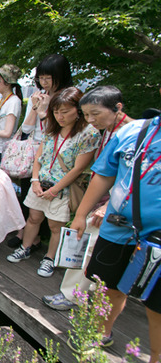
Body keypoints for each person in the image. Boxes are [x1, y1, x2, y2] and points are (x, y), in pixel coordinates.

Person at [70, 113, 161, 363]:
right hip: (117, 227)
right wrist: (82, 213)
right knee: (108, 285)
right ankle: (101, 334)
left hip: (157, 238)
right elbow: (104, 176)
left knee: (157, 304)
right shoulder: (134, 131)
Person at [43, 86, 136, 310]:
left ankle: (75, 295)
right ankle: (79, 293)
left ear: (118, 108)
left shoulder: (133, 134)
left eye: (96, 113)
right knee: (87, 243)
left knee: (89, 243)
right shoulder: (108, 131)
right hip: (102, 202)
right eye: (86, 115)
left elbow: (133, 177)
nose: (91, 119)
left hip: (118, 207)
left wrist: (108, 206)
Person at [7, 87, 100, 277]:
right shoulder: (51, 128)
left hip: (62, 189)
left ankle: (50, 258)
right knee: (33, 218)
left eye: (65, 111)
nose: (60, 116)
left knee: (55, 226)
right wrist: (34, 181)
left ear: (78, 109)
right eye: (56, 111)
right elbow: (39, 157)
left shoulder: (88, 134)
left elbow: (78, 168)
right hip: (41, 183)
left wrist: (55, 189)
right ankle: (25, 247)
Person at [9, 54, 74, 250]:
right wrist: (35, 108)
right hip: (34, 153)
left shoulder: (68, 98)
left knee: (52, 203)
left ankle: (41, 240)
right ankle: (28, 235)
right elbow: (26, 130)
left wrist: (46, 112)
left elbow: (57, 133)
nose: (44, 82)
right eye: (41, 78)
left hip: (57, 156)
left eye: (48, 77)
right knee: (30, 195)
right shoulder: (39, 95)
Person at [0, 64, 23, 161]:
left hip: (3, 150)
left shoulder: (14, 101)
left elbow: (7, 132)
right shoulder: (1, 99)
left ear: (7, 82)